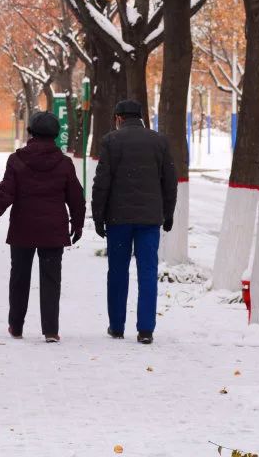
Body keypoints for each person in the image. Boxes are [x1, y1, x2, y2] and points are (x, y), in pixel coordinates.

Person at [0, 111, 86, 343]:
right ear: (55, 135)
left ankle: (16, 326)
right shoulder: (64, 164)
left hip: (22, 229)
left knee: (19, 278)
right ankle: (50, 331)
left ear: (31, 133)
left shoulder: (16, 161)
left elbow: (4, 194)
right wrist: (77, 226)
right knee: (51, 280)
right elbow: (76, 198)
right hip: (53, 230)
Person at [91, 99, 176, 344]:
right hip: (150, 220)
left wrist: (98, 216)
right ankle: (146, 329)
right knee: (148, 272)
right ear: (141, 117)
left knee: (117, 272)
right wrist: (168, 214)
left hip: (118, 220)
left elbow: (101, 183)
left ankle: (117, 326)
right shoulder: (159, 141)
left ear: (118, 118)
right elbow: (169, 182)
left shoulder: (110, 141)